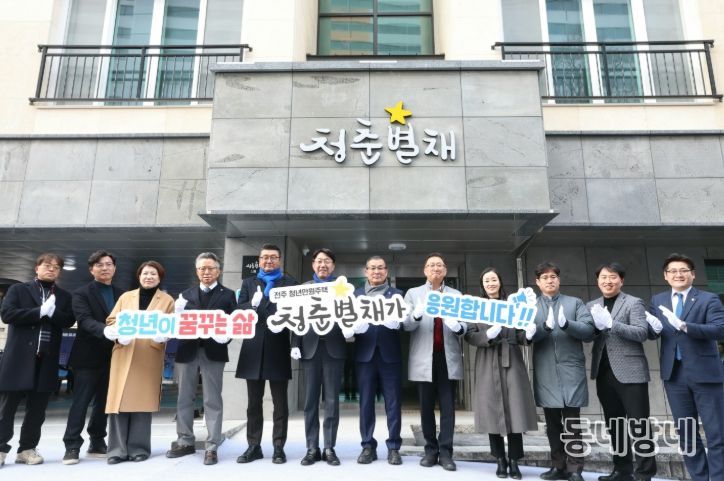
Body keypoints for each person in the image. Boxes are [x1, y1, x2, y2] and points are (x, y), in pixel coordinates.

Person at [645, 253, 724, 481]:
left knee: (717, 433)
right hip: (674, 375)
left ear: (693, 274)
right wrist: (652, 327)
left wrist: (686, 326)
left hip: (705, 374)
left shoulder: (708, 299)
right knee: (686, 433)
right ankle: (699, 477)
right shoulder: (658, 300)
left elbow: (719, 329)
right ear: (665, 276)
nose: (678, 274)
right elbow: (653, 332)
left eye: (683, 270)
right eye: (672, 271)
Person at [0, 253, 74, 467]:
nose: (52, 269)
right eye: (47, 265)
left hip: (46, 359)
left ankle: (27, 449)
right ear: (37, 268)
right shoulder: (18, 290)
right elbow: (8, 315)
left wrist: (52, 313)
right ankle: (1, 448)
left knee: (37, 409)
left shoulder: (64, 296)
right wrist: (39, 312)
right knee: (7, 407)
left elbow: (68, 321)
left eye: (56, 267)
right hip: (18, 359)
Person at [464, 267, 538, 479]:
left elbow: (521, 334)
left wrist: (529, 335)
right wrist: (487, 335)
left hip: (511, 359)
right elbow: (469, 335)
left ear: (500, 282)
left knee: (515, 410)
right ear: (482, 285)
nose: (490, 283)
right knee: (491, 411)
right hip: (487, 361)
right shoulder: (476, 308)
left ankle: (514, 460)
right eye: (486, 280)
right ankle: (499, 459)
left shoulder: (513, 305)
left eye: (494, 279)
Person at [165, 252, 237, 465]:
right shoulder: (185, 295)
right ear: (197, 271)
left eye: (211, 268)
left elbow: (235, 324)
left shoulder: (228, 295)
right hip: (187, 350)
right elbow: (177, 324)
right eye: (202, 268)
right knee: (184, 397)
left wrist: (226, 337)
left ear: (218, 271)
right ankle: (185, 441)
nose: (206, 272)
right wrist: (177, 313)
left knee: (212, 399)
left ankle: (212, 445)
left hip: (214, 351)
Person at [587, 263, 656, 481]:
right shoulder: (592, 305)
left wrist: (611, 324)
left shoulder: (634, 303)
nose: (608, 281)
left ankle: (644, 473)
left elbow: (641, 333)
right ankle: (622, 470)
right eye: (603, 277)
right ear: (598, 281)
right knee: (614, 424)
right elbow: (589, 335)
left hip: (631, 372)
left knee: (639, 424)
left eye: (613, 277)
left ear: (621, 280)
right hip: (603, 372)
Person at [103, 260, 174, 464]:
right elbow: (112, 320)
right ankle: (116, 450)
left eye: (153, 274)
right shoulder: (126, 297)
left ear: (159, 278)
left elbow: (172, 324)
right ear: (139, 276)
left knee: (142, 402)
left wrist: (163, 336)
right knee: (118, 402)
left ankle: (139, 448)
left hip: (148, 354)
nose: (149, 277)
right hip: (124, 351)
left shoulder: (167, 300)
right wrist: (117, 335)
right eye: (145, 273)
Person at [529, 262, 595, 481]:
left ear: (559, 280)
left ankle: (575, 468)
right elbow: (524, 336)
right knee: (552, 424)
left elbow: (589, 331)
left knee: (572, 422)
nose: (549, 280)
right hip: (545, 370)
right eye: (545, 277)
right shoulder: (532, 306)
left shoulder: (574, 303)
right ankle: (558, 466)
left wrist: (567, 324)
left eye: (553, 277)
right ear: (537, 282)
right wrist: (543, 329)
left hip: (570, 370)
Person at [403, 252, 467, 472]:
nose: (435, 268)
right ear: (425, 270)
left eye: (439, 265)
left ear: (445, 270)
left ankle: (446, 452)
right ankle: (430, 450)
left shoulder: (456, 295)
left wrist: (458, 326)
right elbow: (406, 325)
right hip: (424, 357)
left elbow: (464, 325)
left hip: (447, 357)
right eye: (431, 265)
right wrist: (416, 315)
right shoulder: (413, 294)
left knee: (448, 407)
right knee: (426, 407)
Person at [235, 244, 297, 464]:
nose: (268, 261)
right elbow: (239, 308)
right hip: (253, 348)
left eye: (273, 257)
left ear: (279, 260)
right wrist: (251, 307)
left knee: (280, 404)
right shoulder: (248, 283)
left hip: (278, 347)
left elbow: (297, 313)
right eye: (264, 257)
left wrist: (294, 342)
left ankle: (279, 447)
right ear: (259, 260)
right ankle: (254, 446)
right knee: (253, 403)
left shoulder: (289, 283)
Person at [62, 250, 123, 465]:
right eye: (99, 265)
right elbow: (84, 320)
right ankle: (71, 445)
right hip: (87, 357)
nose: (105, 268)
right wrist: (105, 330)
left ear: (114, 268)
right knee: (81, 402)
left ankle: (97, 441)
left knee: (104, 402)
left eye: (108, 264)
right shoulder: (81, 293)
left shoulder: (122, 294)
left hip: (115, 356)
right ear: (91, 270)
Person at [292, 248, 348, 466]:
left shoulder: (342, 288)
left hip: (334, 348)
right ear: (313, 265)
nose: (323, 265)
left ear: (333, 266)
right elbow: (296, 317)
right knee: (310, 401)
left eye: (327, 261)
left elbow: (351, 315)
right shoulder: (303, 289)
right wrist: (295, 344)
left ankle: (329, 448)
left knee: (332, 401)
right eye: (319, 261)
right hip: (309, 349)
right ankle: (312, 448)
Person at [352, 255, 404, 466]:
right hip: (364, 355)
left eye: (380, 268)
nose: (376, 272)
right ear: (366, 271)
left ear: (386, 271)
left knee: (393, 402)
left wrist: (397, 323)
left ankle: (394, 447)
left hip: (390, 356)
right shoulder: (355, 295)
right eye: (372, 268)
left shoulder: (398, 295)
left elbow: (404, 322)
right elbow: (346, 322)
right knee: (365, 402)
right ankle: (367, 446)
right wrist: (351, 329)